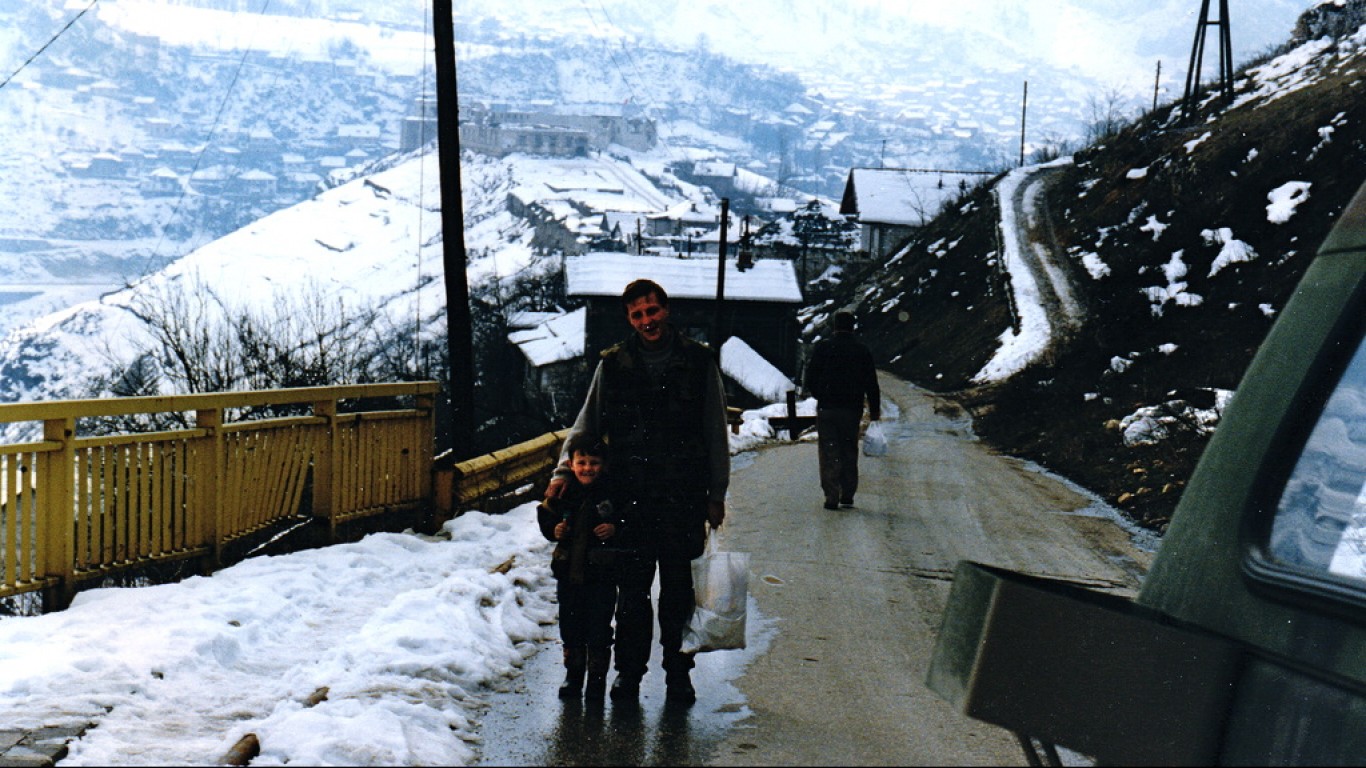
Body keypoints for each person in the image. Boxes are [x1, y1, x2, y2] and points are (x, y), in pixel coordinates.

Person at [546, 278, 729, 706]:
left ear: (666, 310)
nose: (647, 321)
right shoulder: (613, 365)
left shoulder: (699, 362)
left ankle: (679, 674)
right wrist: (561, 471)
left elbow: (715, 432)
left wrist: (716, 492)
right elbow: (586, 424)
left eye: (652, 311)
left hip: (683, 497)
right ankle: (629, 674)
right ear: (629, 319)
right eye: (637, 315)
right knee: (630, 596)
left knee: (679, 594)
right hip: (629, 500)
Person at [537, 435, 628, 699]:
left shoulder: (612, 493)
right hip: (568, 573)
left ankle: (597, 680)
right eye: (582, 462)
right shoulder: (565, 491)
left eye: (594, 463)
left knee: (599, 626)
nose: (588, 468)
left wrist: (615, 528)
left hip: (602, 574)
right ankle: (573, 676)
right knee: (571, 625)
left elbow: (630, 520)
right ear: (571, 463)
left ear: (604, 465)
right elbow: (545, 514)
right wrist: (554, 530)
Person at [804, 310, 881, 510]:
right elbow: (871, 383)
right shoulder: (862, 351)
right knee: (849, 449)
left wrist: (821, 394)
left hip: (828, 408)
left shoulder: (823, 348)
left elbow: (810, 378)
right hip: (851, 410)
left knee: (829, 450)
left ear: (834, 327)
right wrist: (874, 411)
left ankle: (831, 495)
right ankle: (847, 494)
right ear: (852, 327)